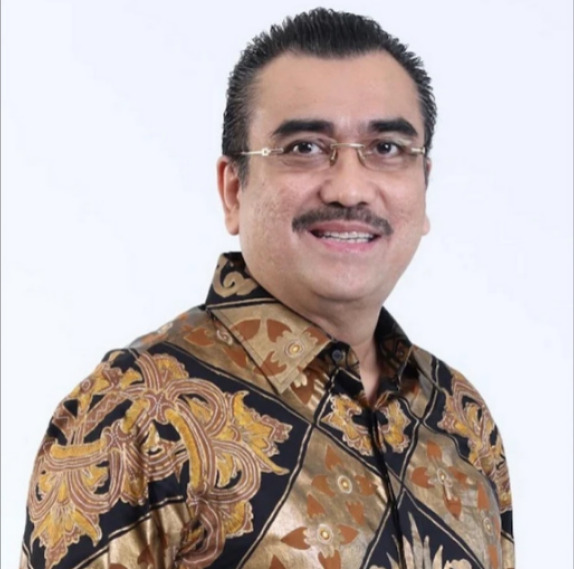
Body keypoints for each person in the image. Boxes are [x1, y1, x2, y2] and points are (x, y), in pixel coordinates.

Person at [20, 8, 514, 569]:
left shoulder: (460, 418)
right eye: (305, 147)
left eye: (386, 149)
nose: (350, 188)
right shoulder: (132, 416)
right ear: (233, 190)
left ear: (423, 186)